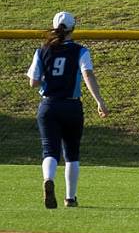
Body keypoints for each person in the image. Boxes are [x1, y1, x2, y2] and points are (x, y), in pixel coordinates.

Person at [26, 12, 109, 209]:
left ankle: (48, 178)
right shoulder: (80, 51)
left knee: (49, 149)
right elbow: (87, 75)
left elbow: (33, 82)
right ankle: (70, 198)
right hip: (71, 106)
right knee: (71, 152)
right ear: (73, 28)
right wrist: (99, 101)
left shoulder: (42, 50)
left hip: (48, 105)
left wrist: (49, 79)